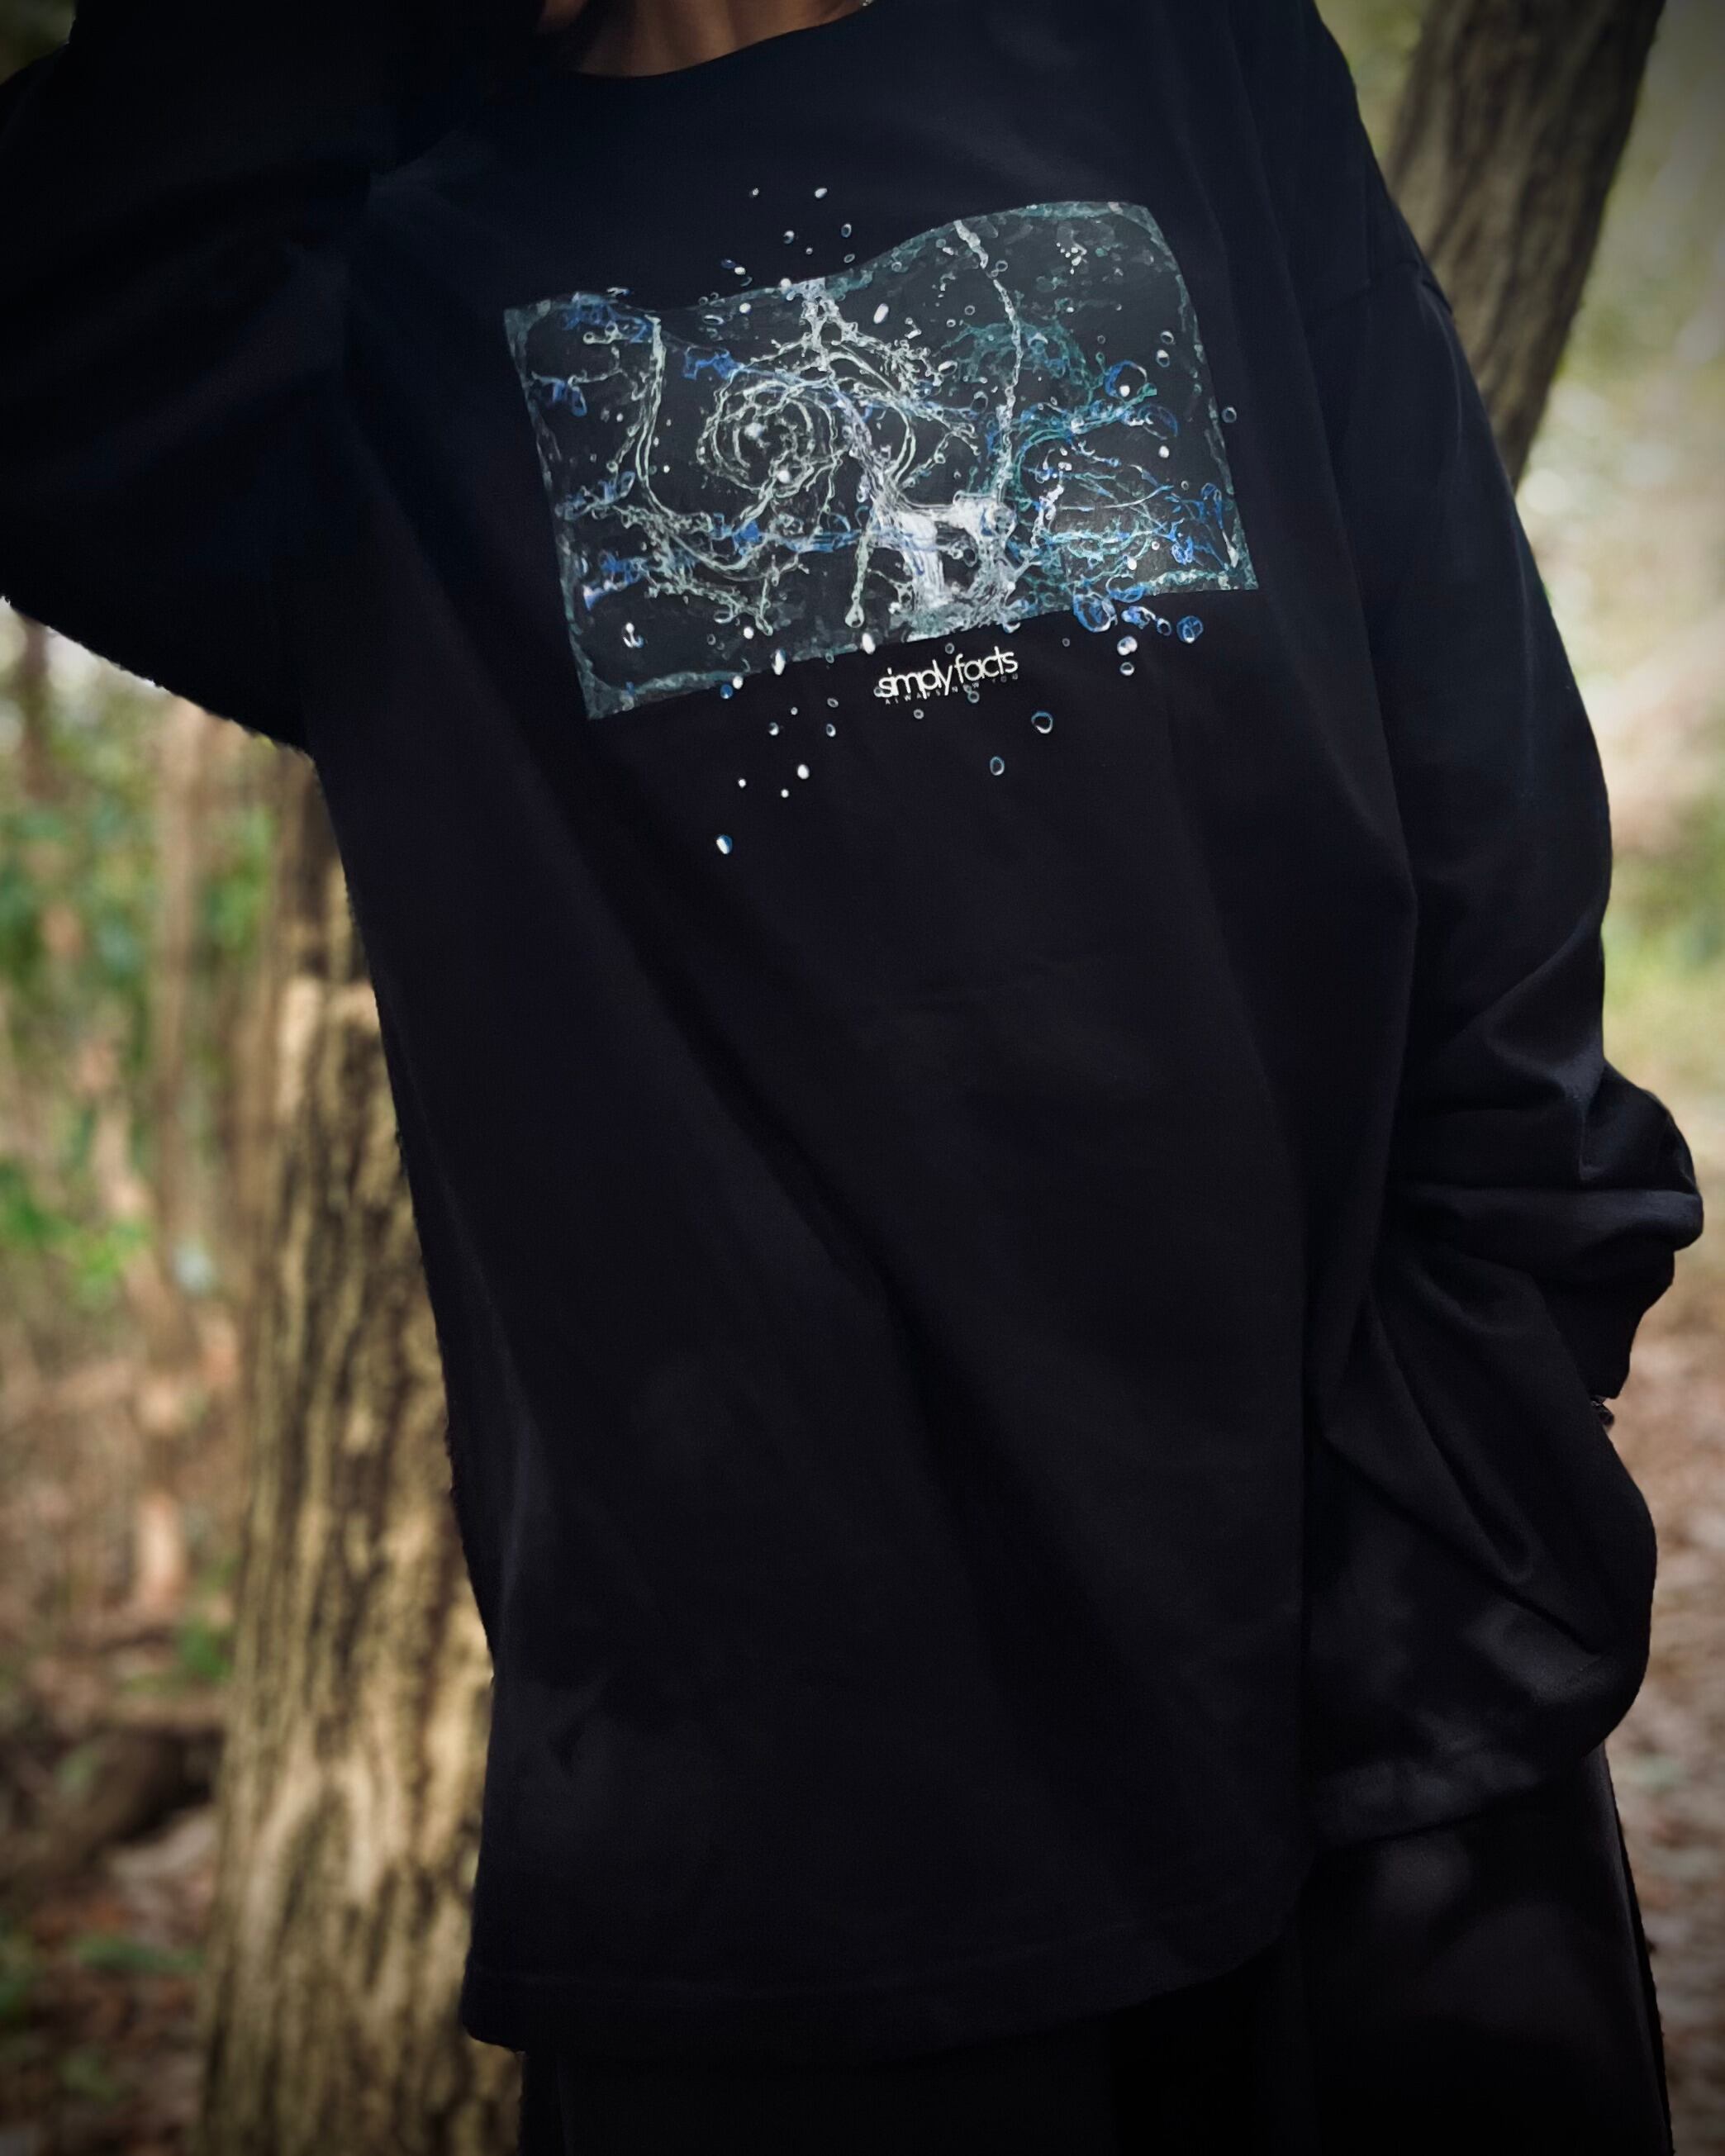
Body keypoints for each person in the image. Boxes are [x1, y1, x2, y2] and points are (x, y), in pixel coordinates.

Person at [0, 0, 1704, 2146]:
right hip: (783, 1828)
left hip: (1369, 1692)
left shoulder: (1183, 58)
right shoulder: (355, 277)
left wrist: (1476, 1460)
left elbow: (1485, 785)